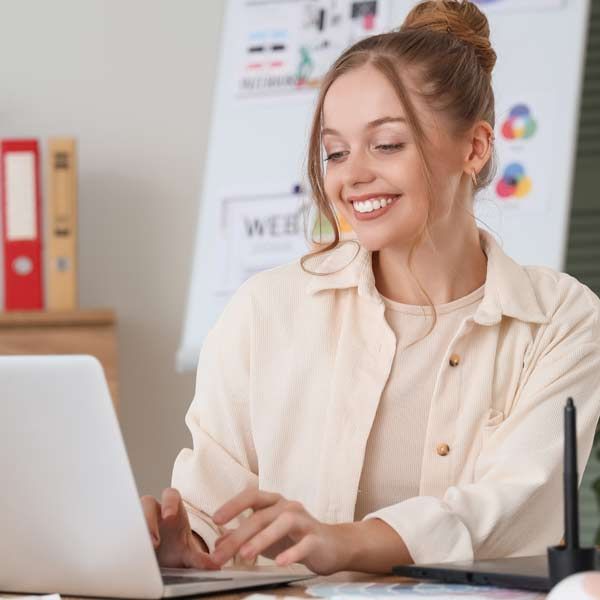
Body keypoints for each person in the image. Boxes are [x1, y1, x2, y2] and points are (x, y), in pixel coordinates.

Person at [141, 0, 600, 576]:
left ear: (475, 148)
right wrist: (190, 548)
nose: (351, 175)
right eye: (335, 151)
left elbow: (513, 505)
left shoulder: (559, 320)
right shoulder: (266, 310)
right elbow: (213, 506)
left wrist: (350, 541)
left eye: (386, 145)